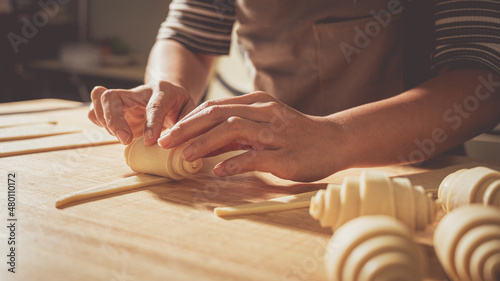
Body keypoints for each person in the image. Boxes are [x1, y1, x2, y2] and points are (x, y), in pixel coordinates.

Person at [88, 0, 500, 182]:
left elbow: (482, 78)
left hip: (412, 179)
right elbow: (189, 36)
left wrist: (338, 137)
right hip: (258, 172)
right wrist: (169, 84)